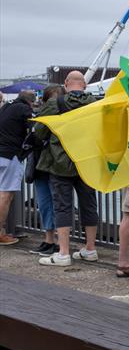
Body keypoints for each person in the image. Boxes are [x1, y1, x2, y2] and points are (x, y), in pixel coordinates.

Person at [34, 73, 99, 266]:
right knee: (89, 204)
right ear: (85, 85)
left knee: (62, 206)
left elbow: (40, 131)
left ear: (65, 84)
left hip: (60, 162)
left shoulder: (55, 103)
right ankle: (90, 249)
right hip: (87, 161)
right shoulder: (95, 104)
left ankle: (63, 253)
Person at [27, 85, 64, 255]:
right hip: (41, 165)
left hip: (53, 166)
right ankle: (49, 239)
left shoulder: (62, 117)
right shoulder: (40, 116)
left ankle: (59, 242)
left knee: (56, 204)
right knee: (44, 204)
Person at [0, 90, 36, 245]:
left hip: (1, 152)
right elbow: (35, 129)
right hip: (11, 155)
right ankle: (0, 233)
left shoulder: (6, 107)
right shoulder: (24, 109)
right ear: (31, 102)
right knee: (5, 194)